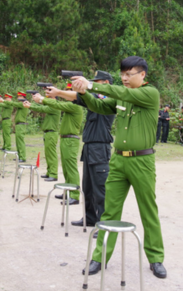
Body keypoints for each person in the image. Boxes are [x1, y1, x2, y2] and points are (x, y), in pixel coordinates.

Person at [69, 56, 166, 279]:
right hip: (118, 161)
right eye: (122, 74)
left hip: (142, 161)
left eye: (128, 74)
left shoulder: (150, 93)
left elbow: (123, 94)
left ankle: (156, 257)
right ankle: (99, 257)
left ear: (142, 75)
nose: (123, 78)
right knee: (110, 211)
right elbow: (100, 106)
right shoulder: (123, 95)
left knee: (148, 210)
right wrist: (84, 93)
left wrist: (92, 84)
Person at [45, 71, 116, 237]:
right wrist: (58, 93)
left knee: (100, 189)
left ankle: (103, 223)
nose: (94, 85)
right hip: (90, 147)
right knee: (88, 187)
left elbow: (81, 96)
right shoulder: (94, 100)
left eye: (97, 82)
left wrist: (60, 93)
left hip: (100, 148)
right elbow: (78, 97)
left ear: (106, 83)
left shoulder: (108, 100)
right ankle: (90, 218)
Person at [30, 88, 83, 205]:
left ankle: (74, 195)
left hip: (70, 140)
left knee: (71, 168)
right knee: (66, 168)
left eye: (69, 93)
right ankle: (68, 191)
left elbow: (56, 104)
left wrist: (41, 99)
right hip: (66, 138)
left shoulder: (75, 106)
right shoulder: (70, 105)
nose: (66, 95)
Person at [23, 93, 61, 181]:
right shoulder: (52, 106)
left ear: (54, 98)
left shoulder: (55, 106)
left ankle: (53, 174)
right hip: (48, 133)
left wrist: (30, 106)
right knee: (48, 154)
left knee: (51, 154)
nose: (47, 98)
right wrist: (32, 103)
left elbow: (42, 108)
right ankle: (49, 172)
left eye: (49, 97)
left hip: (51, 133)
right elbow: (42, 106)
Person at [4, 92, 29, 162]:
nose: (18, 97)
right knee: (18, 141)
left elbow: (14, 104)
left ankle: (23, 157)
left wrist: (4, 101)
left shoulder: (23, 103)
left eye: (20, 96)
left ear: (23, 97)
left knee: (20, 141)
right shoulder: (21, 103)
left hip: (21, 124)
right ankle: (20, 156)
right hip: (19, 124)